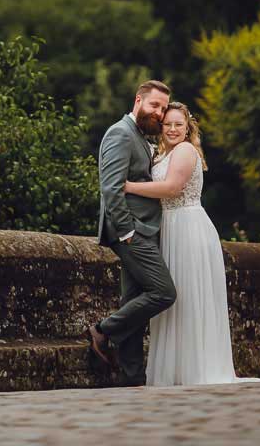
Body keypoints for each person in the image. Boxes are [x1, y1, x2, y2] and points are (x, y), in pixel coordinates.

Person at [125, 100, 254, 386]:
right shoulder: (162, 154)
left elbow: (171, 188)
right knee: (176, 302)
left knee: (188, 299)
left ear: (187, 128)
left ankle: (195, 370)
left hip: (188, 227)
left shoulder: (184, 151)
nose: (172, 129)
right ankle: (177, 371)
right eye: (167, 124)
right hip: (170, 228)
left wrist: (128, 187)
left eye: (178, 125)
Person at [87, 80, 177, 386]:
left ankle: (132, 377)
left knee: (133, 299)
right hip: (131, 231)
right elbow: (111, 188)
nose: (160, 113)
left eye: (163, 108)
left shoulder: (140, 136)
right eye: (154, 105)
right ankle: (103, 329)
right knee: (164, 293)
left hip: (143, 229)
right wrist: (127, 232)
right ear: (138, 100)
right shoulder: (120, 133)